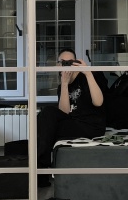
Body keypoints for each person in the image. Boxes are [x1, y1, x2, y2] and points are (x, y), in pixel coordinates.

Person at [37, 49, 106, 184]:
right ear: (58, 65)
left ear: (76, 63)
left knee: (46, 121)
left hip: (91, 125)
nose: (67, 65)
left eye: (70, 62)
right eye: (63, 62)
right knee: (45, 115)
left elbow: (98, 102)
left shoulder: (87, 77)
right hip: (73, 123)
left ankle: (41, 169)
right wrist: (64, 84)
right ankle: (40, 167)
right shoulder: (62, 86)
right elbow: (64, 113)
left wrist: (88, 73)